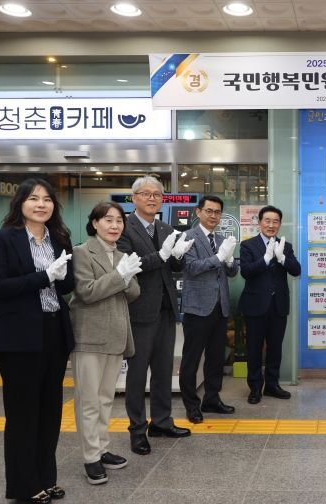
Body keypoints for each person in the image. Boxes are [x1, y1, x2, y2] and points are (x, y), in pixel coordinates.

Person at [0, 178, 74, 504]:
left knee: (50, 412)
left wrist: (61, 277)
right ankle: (24, 486)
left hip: (54, 332)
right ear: (20, 202)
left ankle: (46, 478)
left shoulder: (59, 238)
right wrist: (44, 276)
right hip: (19, 336)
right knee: (23, 413)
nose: (41, 204)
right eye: (34, 198)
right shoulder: (3, 238)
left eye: (47, 199)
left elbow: (66, 287)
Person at [117, 176, 195, 455]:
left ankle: (161, 422)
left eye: (157, 195)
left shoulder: (165, 227)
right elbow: (129, 265)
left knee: (163, 371)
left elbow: (174, 266)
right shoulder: (124, 227)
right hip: (139, 309)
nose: (152, 198)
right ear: (134, 198)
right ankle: (137, 429)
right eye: (146, 194)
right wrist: (161, 256)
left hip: (166, 308)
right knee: (137, 374)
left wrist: (178, 255)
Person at [70, 202, 142, 485]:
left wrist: (126, 275)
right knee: (88, 402)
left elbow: (134, 293)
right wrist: (119, 276)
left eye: (119, 221)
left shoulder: (122, 255)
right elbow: (86, 292)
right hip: (89, 337)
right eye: (108, 220)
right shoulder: (81, 252)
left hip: (116, 336)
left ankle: (102, 448)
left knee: (105, 399)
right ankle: (90, 457)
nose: (114, 225)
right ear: (95, 223)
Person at [179, 195, 238, 422]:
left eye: (217, 212)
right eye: (209, 211)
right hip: (197, 308)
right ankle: (191, 405)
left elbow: (231, 272)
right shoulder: (188, 237)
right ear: (198, 212)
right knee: (192, 359)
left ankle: (212, 399)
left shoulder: (222, 239)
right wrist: (219, 257)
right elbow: (191, 267)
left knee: (215, 358)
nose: (214, 215)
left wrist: (230, 260)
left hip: (220, 308)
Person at [239, 205, 301, 404]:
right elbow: (246, 272)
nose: (271, 225)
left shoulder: (286, 245)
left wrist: (282, 258)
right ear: (260, 222)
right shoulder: (248, 245)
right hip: (255, 305)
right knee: (254, 349)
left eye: (275, 221)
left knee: (275, 348)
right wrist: (265, 259)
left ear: (280, 224)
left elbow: (296, 270)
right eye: (267, 221)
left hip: (278, 305)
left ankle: (272, 385)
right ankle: (255, 387)